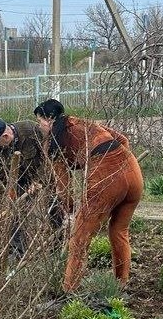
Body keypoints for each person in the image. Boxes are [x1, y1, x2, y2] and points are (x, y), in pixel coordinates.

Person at [33, 99, 143, 292]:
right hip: (132, 170)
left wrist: (69, 209)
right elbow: (122, 139)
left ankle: (69, 291)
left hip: (105, 176)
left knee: (79, 238)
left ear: (49, 119)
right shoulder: (83, 123)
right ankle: (121, 284)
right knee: (119, 231)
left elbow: (63, 184)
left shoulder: (55, 142)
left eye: (39, 120)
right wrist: (120, 163)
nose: (39, 126)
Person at [0, 118, 60, 260]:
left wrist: (39, 180)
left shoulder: (32, 131)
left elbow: (50, 157)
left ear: (5, 137)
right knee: (12, 211)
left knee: (54, 207)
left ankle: (59, 245)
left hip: (45, 176)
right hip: (19, 180)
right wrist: (0, 206)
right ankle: (18, 252)